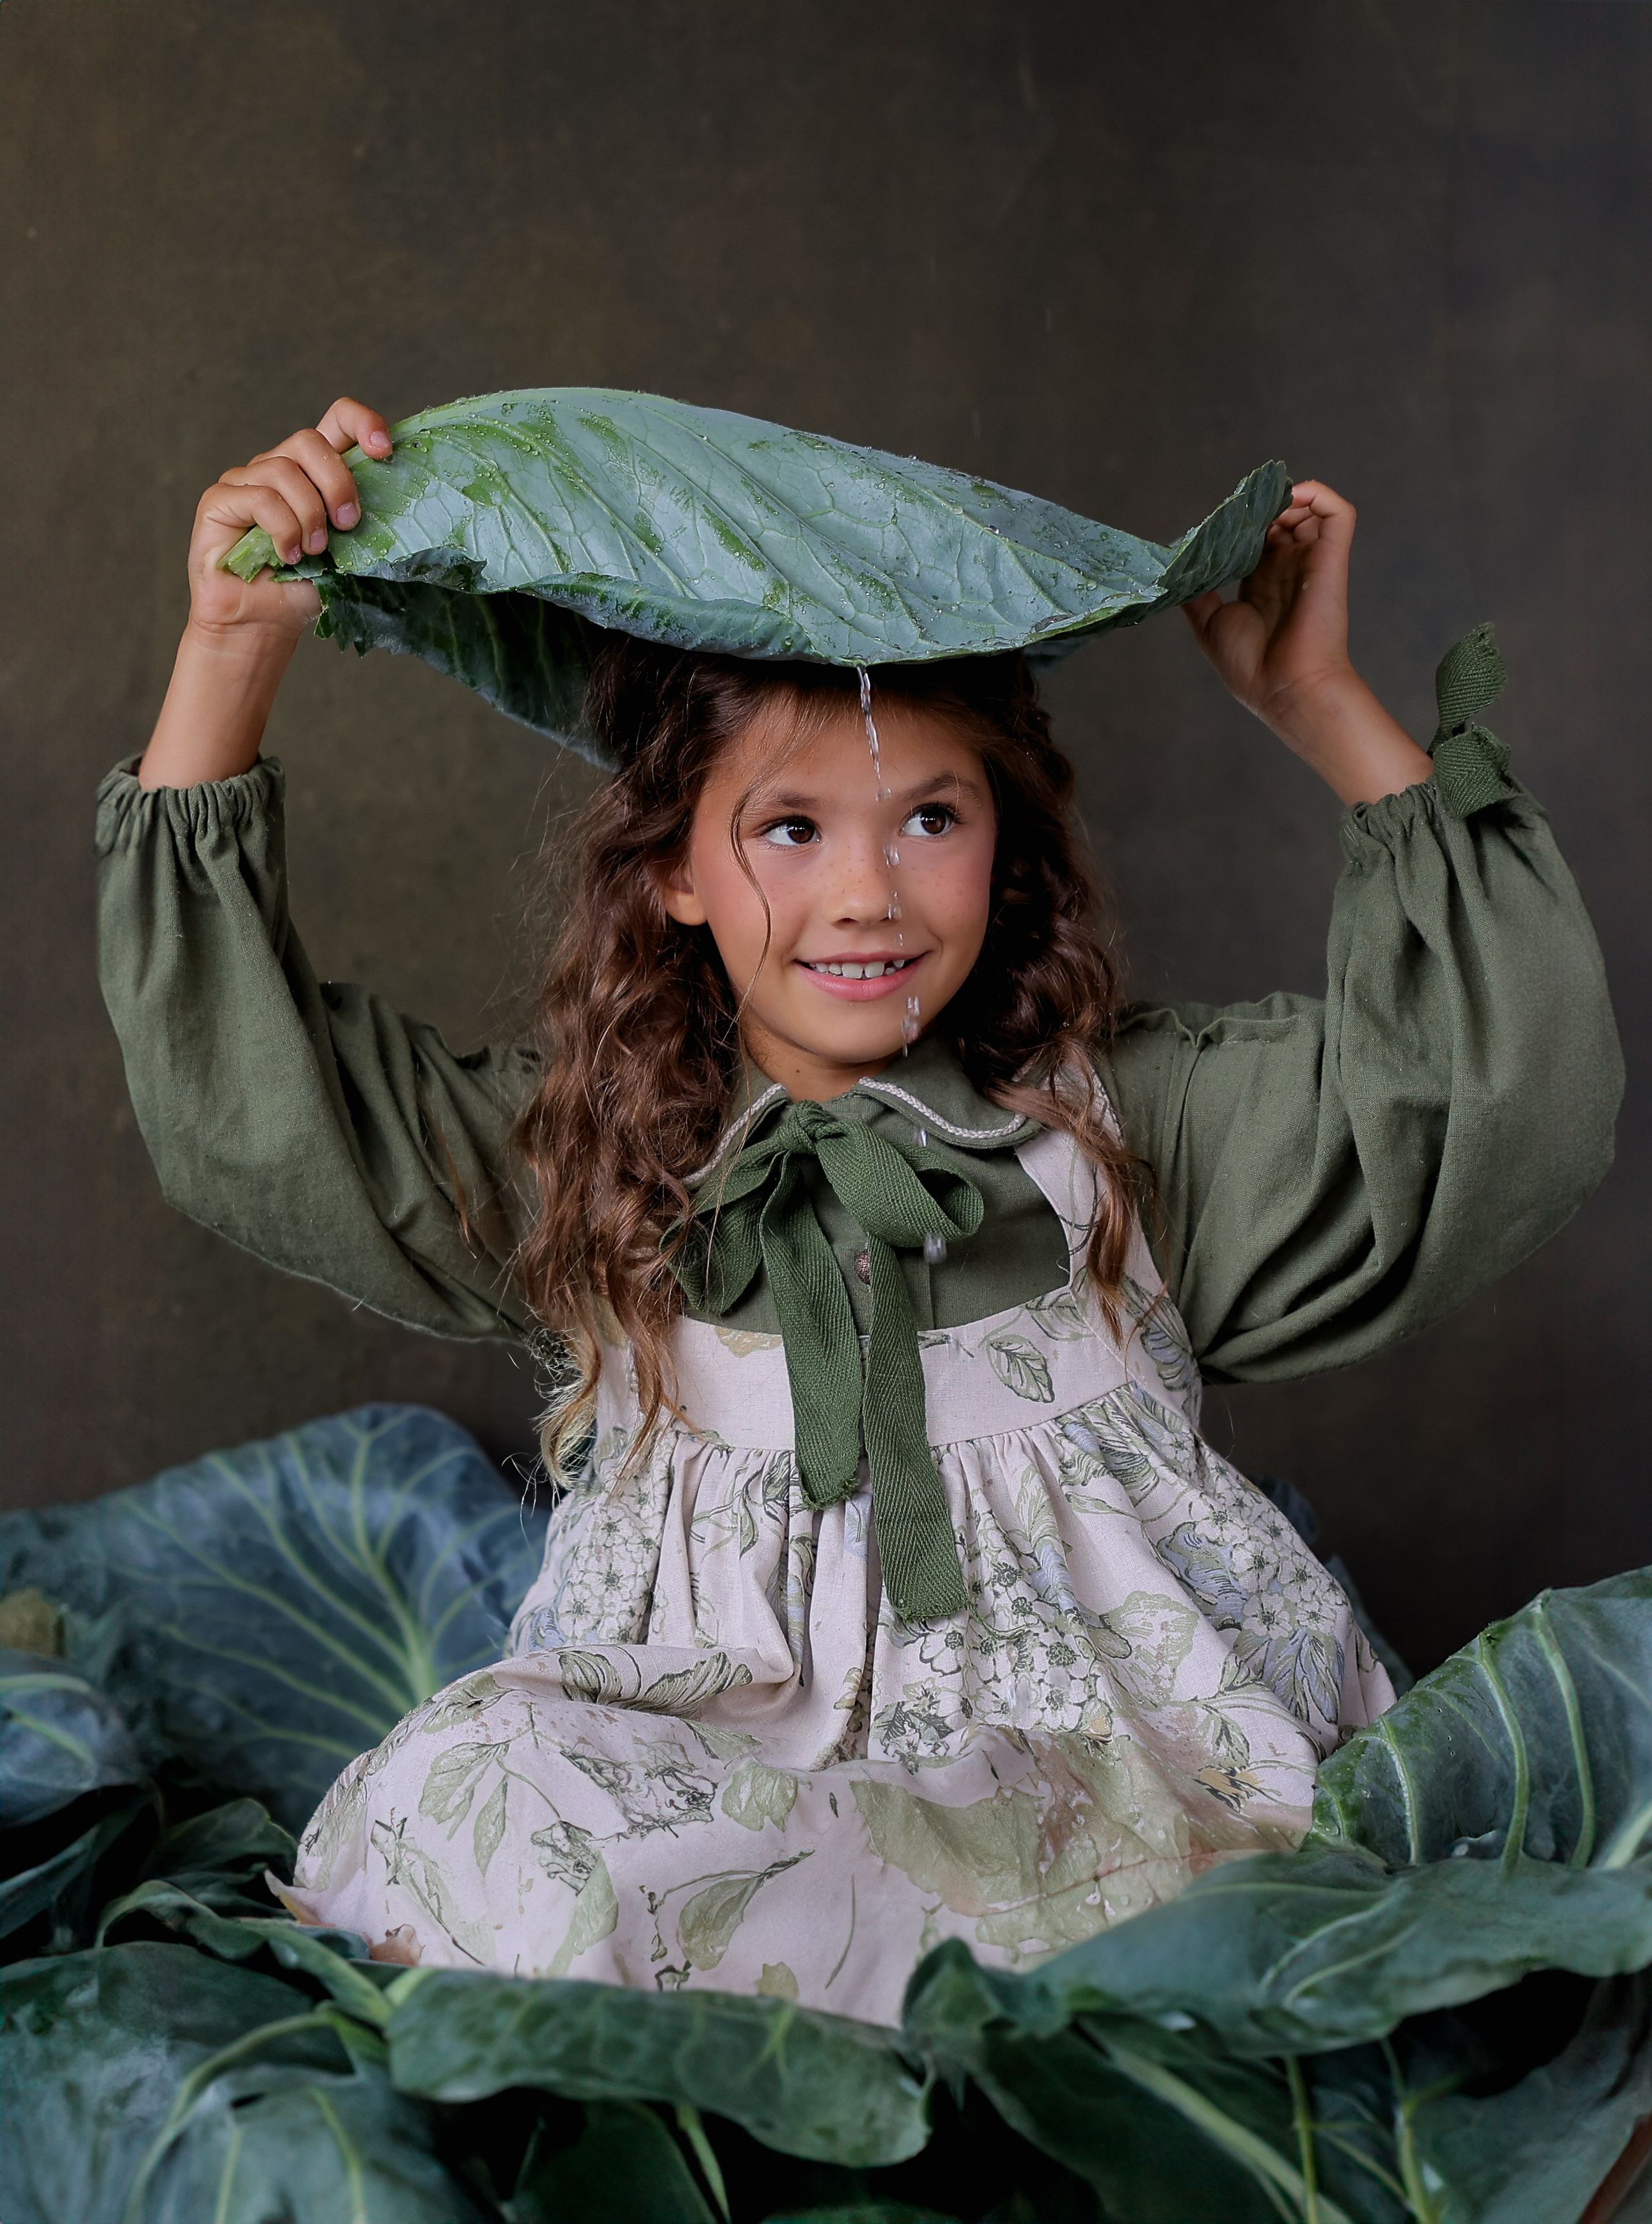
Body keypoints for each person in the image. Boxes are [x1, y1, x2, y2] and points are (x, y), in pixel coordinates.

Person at [98, 397, 1620, 2022]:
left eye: (930, 819)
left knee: (1142, 1963)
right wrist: (230, 649)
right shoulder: (597, 1161)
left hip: (1088, 1802)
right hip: (722, 1795)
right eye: (789, 827)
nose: (866, 893)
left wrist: (1316, 702)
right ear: (673, 868)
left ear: (1001, 841)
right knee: (481, 1782)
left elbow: (1500, 1092)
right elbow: (246, 1113)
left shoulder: (1123, 1139)